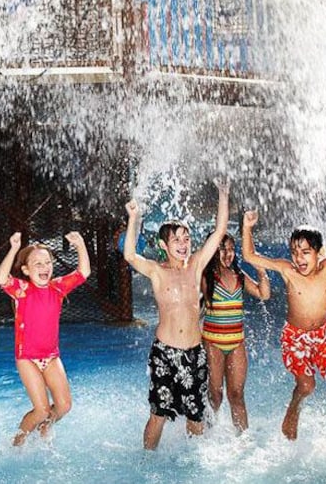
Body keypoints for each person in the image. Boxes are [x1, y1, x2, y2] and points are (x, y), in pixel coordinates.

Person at [241, 210, 326, 444]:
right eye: (295, 252)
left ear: (318, 253)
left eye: (306, 252)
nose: (299, 258)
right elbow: (250, 255)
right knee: (306, 385)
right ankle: (294, 408)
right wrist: (247, 227)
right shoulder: (287, 270)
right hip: (295, 337)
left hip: (323, 335)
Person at [123, 179, 229, 450]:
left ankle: (193, 464)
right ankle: (147, 462)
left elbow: (219, 232)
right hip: (165, 353)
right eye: (176, 240)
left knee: (195, 417)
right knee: (158, 414)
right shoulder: (158, 271)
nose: (183, 244)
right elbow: (130, 256)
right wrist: (133, 218)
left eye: (186, 238)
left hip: (194, 353)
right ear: (164, 244)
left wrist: (223, 194)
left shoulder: (195, 266)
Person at [0, 230, 90, 446]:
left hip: (51, 357)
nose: (44, 267)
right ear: (26, 270)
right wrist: (13, 249)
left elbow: (83, 271)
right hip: (27, 357)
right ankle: (17, 442)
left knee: (64, 405)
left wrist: (80, 245)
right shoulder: (22, 290)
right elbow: (1, 278)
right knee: (41, 409)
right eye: (37, 263)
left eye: (47, 262)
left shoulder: (57, 288)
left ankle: (47, 425)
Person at [200, 230, 271, 434]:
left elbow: (263, 293)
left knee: (237, 394)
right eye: (222, 249)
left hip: (236, 343)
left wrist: (260, 270)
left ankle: (242, 439)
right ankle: (207, 432)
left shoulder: (238, 274)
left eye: (231, 249)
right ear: (213, 250)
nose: (228, 254)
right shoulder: (206, 276)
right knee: (215, 395)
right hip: (212, 343)